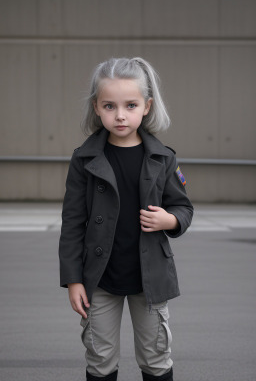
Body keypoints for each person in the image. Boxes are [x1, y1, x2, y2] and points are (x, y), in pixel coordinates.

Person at [58, 57, 193, 381]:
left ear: (146, 106)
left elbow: (183, 207)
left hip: (151, 280)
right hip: (99, 280)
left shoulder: (163, 157)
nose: (120, 114)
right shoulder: (84, 159)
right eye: (109, 106)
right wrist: (73, 279)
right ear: (96, 107)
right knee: (100, 357)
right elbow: (73, 222)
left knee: (155, 356)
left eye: (130, 105)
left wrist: (170, 221)